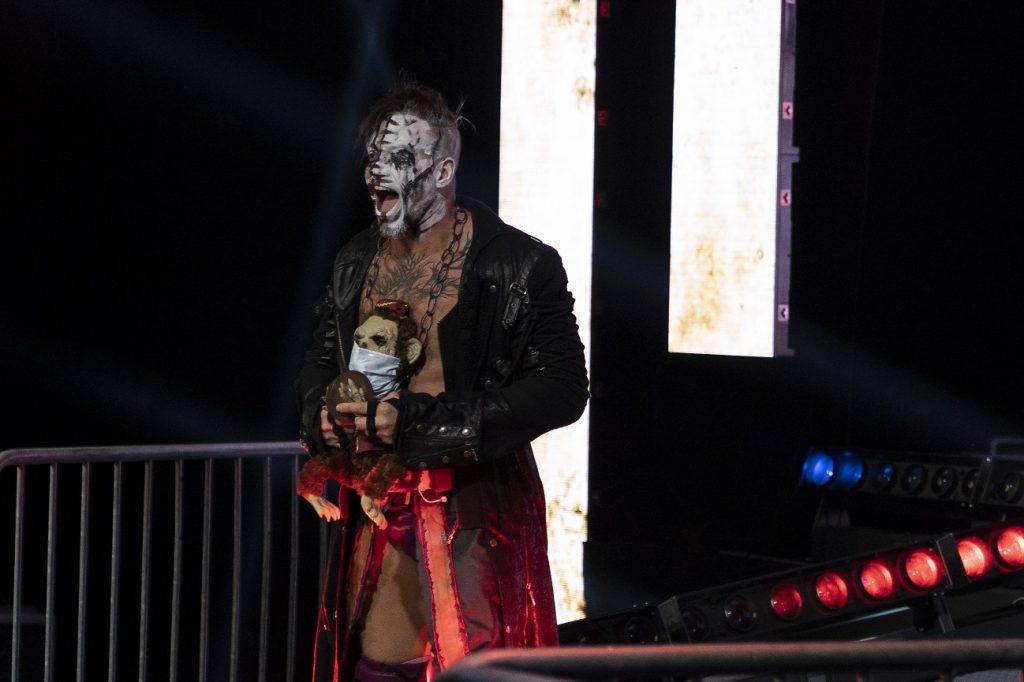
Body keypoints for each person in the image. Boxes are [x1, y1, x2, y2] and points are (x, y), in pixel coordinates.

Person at [296, 81, 589, 682]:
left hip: (475, 503)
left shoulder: (519, 263)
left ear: (443, 170)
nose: (377, 173)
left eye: (399, 158)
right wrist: (321, 410)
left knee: (475, 662)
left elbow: (563, 388)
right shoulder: (357, 259)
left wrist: (421, 421)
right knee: (376, 661)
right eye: (373, 158)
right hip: (381, 502)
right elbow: (322, 358)